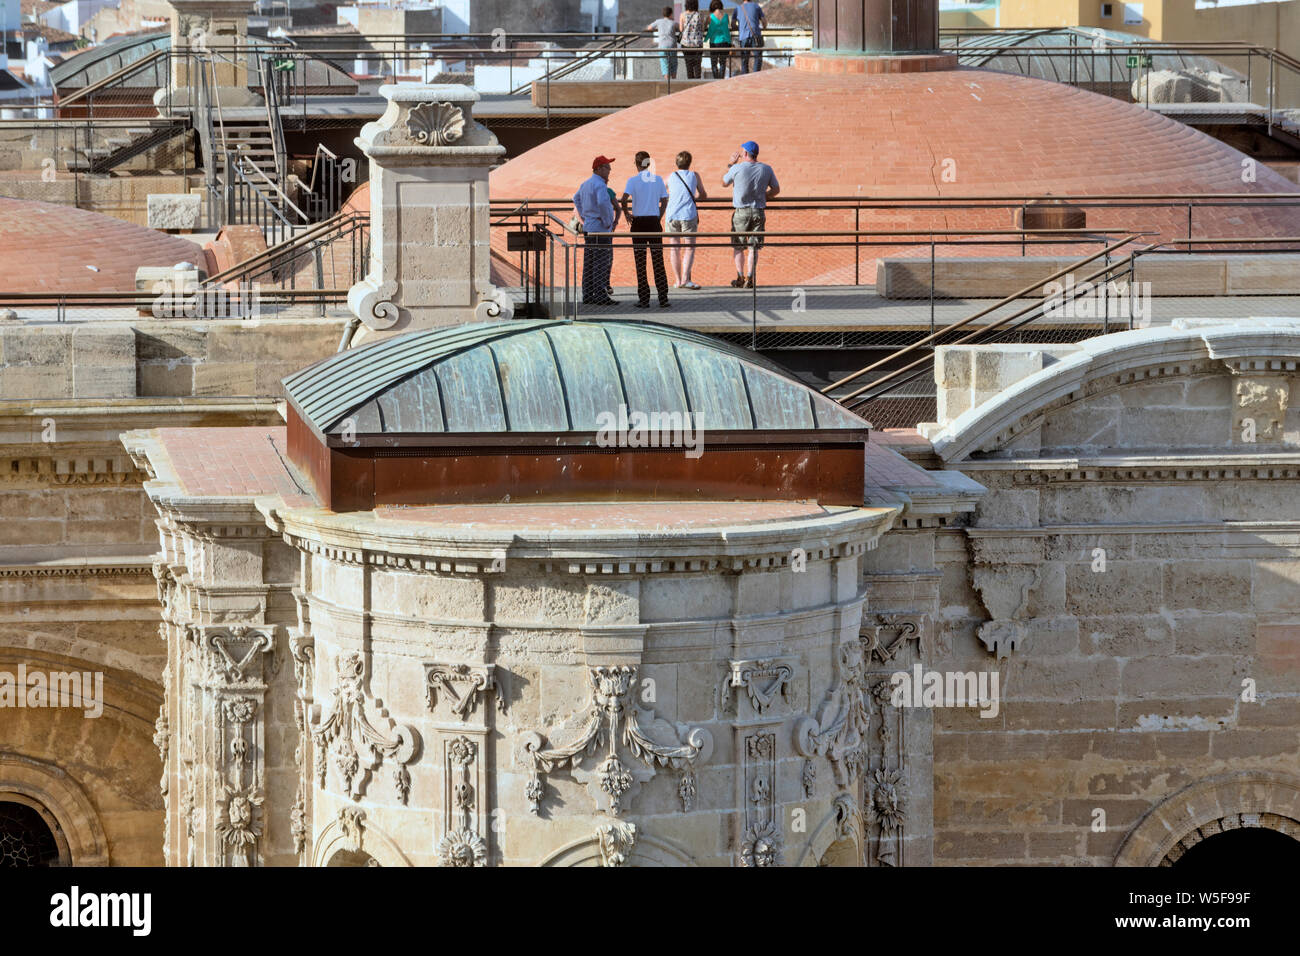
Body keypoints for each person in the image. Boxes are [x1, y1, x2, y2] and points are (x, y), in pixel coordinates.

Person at [721, 140, 779, 288]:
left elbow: (724, 182)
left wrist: (731, 164)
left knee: (738, 246)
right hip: (758, 211)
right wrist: (763, 196)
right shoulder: (766, 169)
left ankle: (740, 277)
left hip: (741, 212)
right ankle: (750, 278)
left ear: (745, 153)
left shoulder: (737, 168)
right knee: (754, 247)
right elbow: (776, 190)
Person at [620, 151, 671, 308]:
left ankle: (644, 299)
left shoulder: (632, 180)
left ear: (636, 164)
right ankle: (663, 297)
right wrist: (659, 216)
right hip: (654, 222)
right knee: (658, 260)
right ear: (648, 163)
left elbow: (623, 199)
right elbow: (664, 199)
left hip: (639, 223)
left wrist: (627, 214)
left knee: (640, 261)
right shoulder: (657, 179)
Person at [573, 155, 618, 305]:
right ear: (599, 169)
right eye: (607, 167)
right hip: (600, 228)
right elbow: (603, 203)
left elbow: (576, 199)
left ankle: (588, 294)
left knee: (590, 261)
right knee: (601, 262)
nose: (609, 170)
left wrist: (585, 216)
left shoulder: (585, 184)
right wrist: (607, 222)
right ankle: (600, 295)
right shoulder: (600, 185)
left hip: (589, 227)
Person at [665, 150, 707, 289]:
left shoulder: (671, 176)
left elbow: (662, 191)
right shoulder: (694, 175)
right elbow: (703, 195)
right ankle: (685, 279)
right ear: (689, 163)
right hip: (688, 215)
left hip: (672, 215)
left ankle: (677, 281)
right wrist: (692, 198)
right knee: (689, 248)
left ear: (677, 163)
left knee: (674, 249)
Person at [733, 0, 766, 74]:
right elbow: (764, 22)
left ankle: (746, 77)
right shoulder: (756, 6)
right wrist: (763, 27)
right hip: (755, 35)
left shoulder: (738, 8)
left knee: (744, 59)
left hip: (743, 37)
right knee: (758, 57)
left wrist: (741, 27)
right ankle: (755, 75)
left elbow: (733, 24)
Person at [648, 6, 678, 79]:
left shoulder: (658, 21)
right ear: (671, 14)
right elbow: (681, 28)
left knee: (665, 65)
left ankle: (667, 84)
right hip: (672, 46)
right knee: (673, 64)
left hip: (662, 47)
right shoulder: (673, 23)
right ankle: (674, 82)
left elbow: (649, 28)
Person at [678, 0, 705, 80]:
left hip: (686, 44)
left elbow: (681, 29)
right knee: (697, 65)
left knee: (688, 65)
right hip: (697, 44)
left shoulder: (682, 15)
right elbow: (702, 29)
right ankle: (697, 84)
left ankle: (690, 84)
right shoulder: (700, 15)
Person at [706, 0, 731, 79]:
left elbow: (704, 27)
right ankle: (721, 79)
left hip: (714, 42)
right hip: (724, 42)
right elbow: (728, 27)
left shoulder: (710, 17)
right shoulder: (726, 16)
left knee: (714, 62)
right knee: (723, 62)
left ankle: (715, 79)